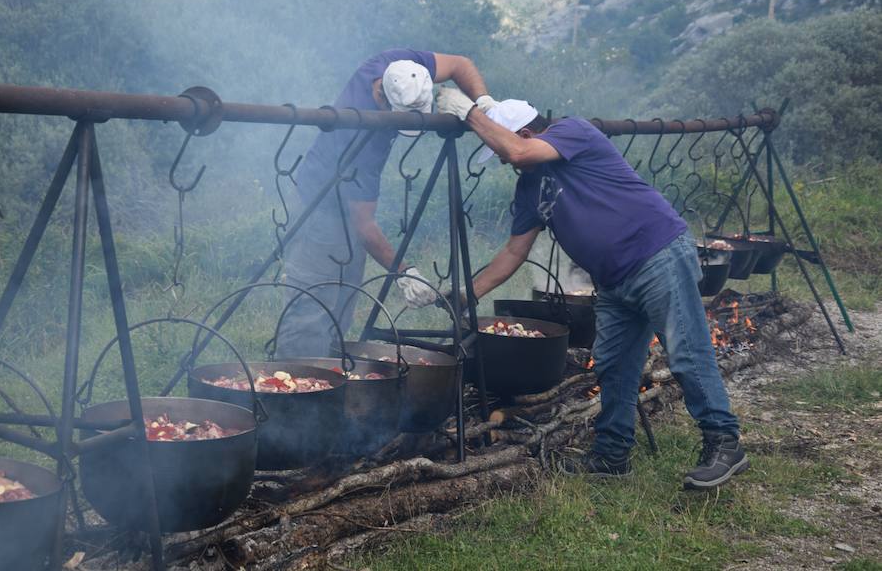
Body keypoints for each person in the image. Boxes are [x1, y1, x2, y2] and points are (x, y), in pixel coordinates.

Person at [432, 90, 748, 490]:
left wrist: (470, 113)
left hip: (658, 256)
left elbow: (518, 153)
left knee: (686, 350)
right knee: (613, 366)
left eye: (498, 148)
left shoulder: (572, 131)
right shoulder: (529, 189)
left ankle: (723, 442)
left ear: (527, 132)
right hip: (614, 282)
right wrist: (464, 294)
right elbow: (513, 252)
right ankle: (612, 456)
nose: (499, 159)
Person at [276, 49, 496, 358]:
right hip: (321, 205)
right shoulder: (358, 134)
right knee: (313, 304)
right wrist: (405, 272)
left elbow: (461, 64)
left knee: (342, 302)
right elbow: (364, 223)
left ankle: (326, 378)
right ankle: (292, 388)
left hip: (347, 205)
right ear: (384, 100)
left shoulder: (399, 66)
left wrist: (482, 101)